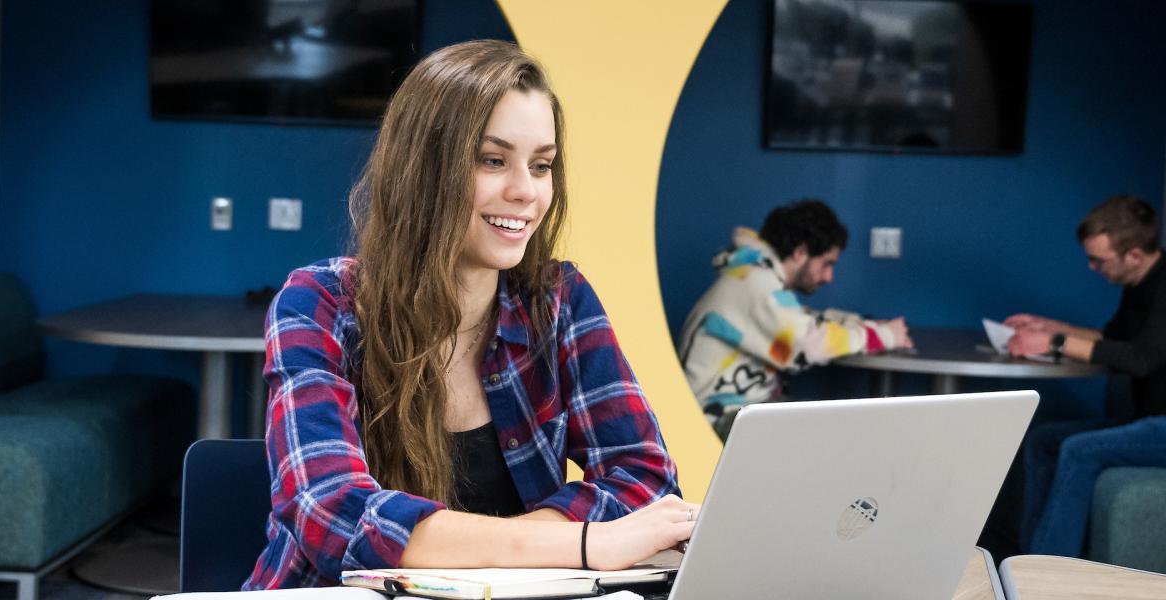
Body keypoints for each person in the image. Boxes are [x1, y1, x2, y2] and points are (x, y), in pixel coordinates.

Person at [243, 40, 697, 589]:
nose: (525, 191)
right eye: (492, 160)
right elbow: (331, 513)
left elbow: (646, 479)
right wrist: (580, 543)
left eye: (542, 165)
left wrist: (517, 550)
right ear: (423, 169)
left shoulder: (559, 300)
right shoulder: (317, 303)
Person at [1004, 194, 1166, 557]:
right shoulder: (1140, 285)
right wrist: (1049, 327)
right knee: (1044, 440)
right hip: (1164, 422)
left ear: (1134, 255)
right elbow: (1113, 339)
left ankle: (1043, 580)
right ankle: (1025, 561)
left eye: (1098, 259)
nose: (1092, 267)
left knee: (1080, 450)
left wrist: (1054, 342)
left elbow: (1140, 359)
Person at [676, 199, 912, 434]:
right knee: (839, 430)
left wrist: (862, 325)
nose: (829, 276)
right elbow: (809, 343)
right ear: (800, 252)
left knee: (833, 423)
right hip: (714, 419)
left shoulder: (755, 278)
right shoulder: (754, 283)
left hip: (742, 409)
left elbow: (804, 319)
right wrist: (885, 336)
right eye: (826, 264)